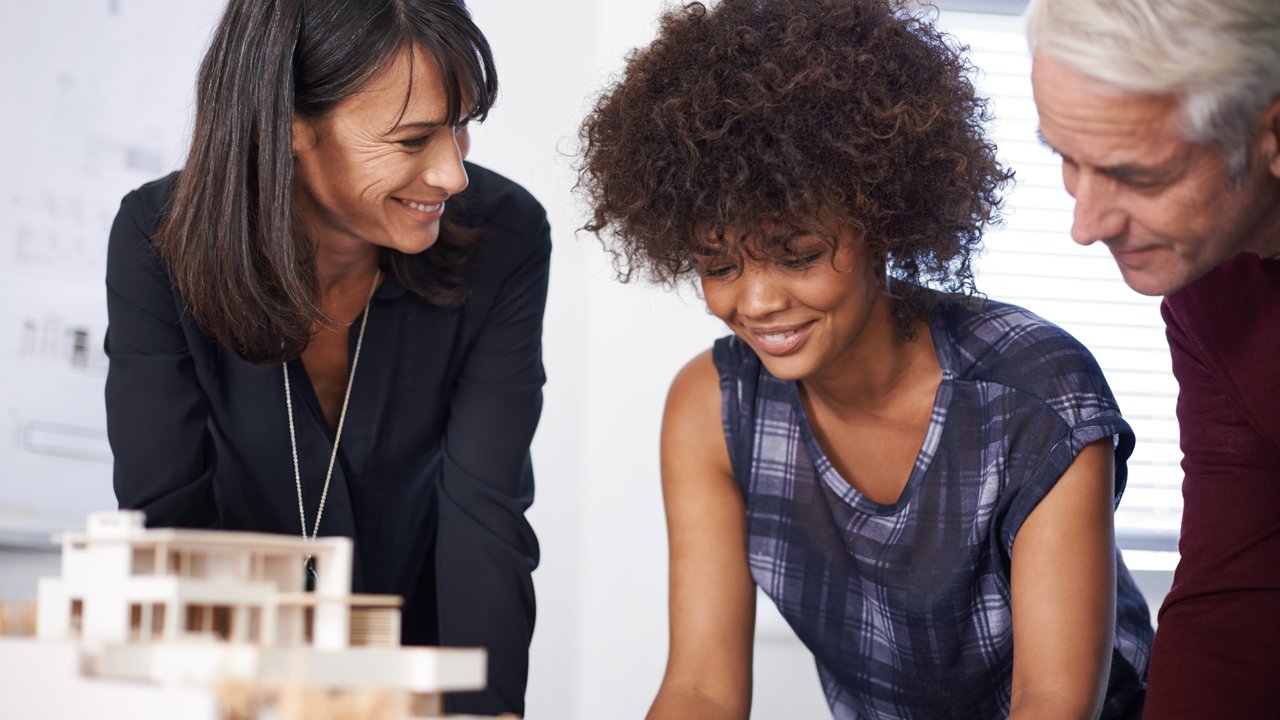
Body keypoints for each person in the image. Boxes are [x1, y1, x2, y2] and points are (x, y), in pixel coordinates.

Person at [578, 0, 1152, 717]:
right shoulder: (715, 410)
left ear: (884, 222)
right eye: (720, 266)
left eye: (798, 255)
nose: (755, 302)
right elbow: (701, 688)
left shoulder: (1036, 397)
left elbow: (1053, 705)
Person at [103, 0, 549, 715]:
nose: (452, 174)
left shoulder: (506, 236)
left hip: (411, 682)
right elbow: (168, 523)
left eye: (462, 126)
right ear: (287, 127)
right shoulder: (159, 244)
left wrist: (484, 711)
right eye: (412, 140)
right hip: (226, 684)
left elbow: (484, 517)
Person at [1025, 0, 1280, 716]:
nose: (1086, 225)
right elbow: (1234, 604)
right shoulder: (1210, 290)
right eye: (1066, 158)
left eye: (1137, 176)